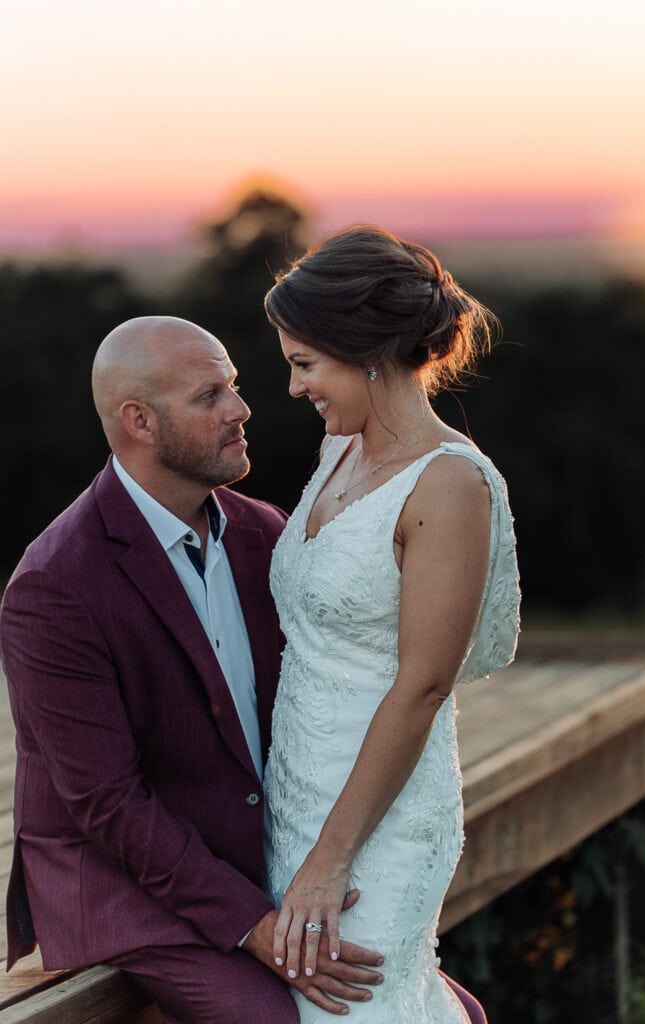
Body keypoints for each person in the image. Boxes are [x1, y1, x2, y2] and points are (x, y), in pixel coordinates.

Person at [0, 316, 385, 1023]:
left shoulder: (265, 531)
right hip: (123, 879)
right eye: (210, 396)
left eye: (233, 387)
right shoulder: (54, 586)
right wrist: (258, 926)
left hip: (254, 851)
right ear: (139, 421)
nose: (240, 409)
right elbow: (107, 806)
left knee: (436, 1011)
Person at [262, 226, 521, 1023]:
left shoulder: (448, 484)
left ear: (367, 351)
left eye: (305, 364)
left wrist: (328, 863)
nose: (296, 388)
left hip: (376, 821)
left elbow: (423, 684)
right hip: (293, 795)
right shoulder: (337, 454)